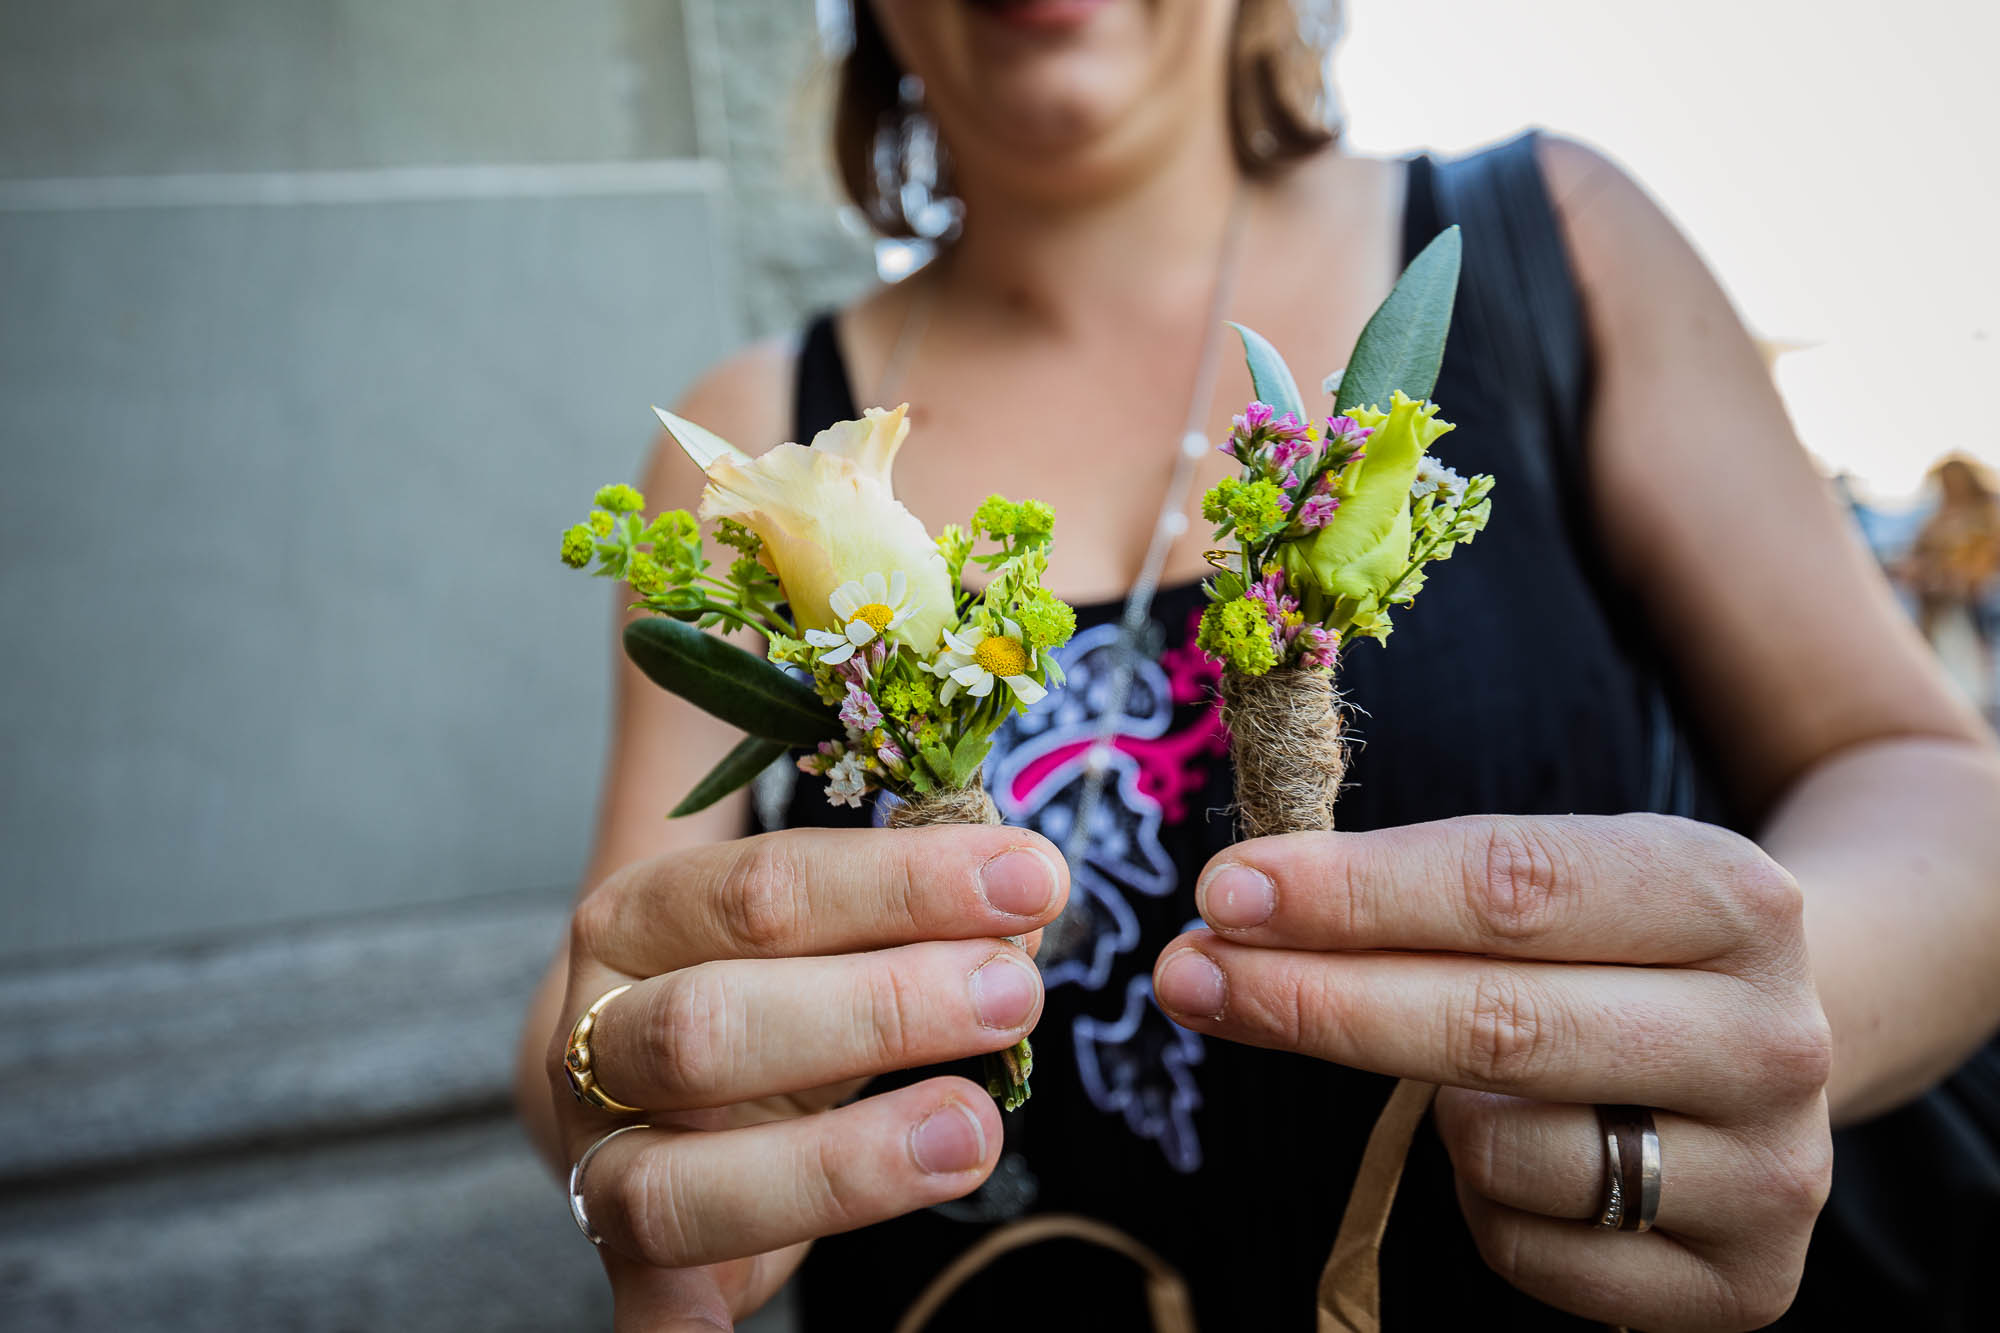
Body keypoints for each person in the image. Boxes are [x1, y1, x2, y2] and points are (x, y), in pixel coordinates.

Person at [514, 2, 2000, 1328]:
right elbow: (604, 989)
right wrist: (628, 1084)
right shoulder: (748, 440)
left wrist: (1763, 1023)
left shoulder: (1561, 242)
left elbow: (1932, 784)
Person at [1901, 457, 2000, 714]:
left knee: (1972, 680)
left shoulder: (1988, 512)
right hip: (1936, 608)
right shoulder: (1934, 520)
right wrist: (1921, 573)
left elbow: (1987, 562)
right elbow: (1914, 557)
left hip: (1976, 606)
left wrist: (1965, 578)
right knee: (1938, 670)